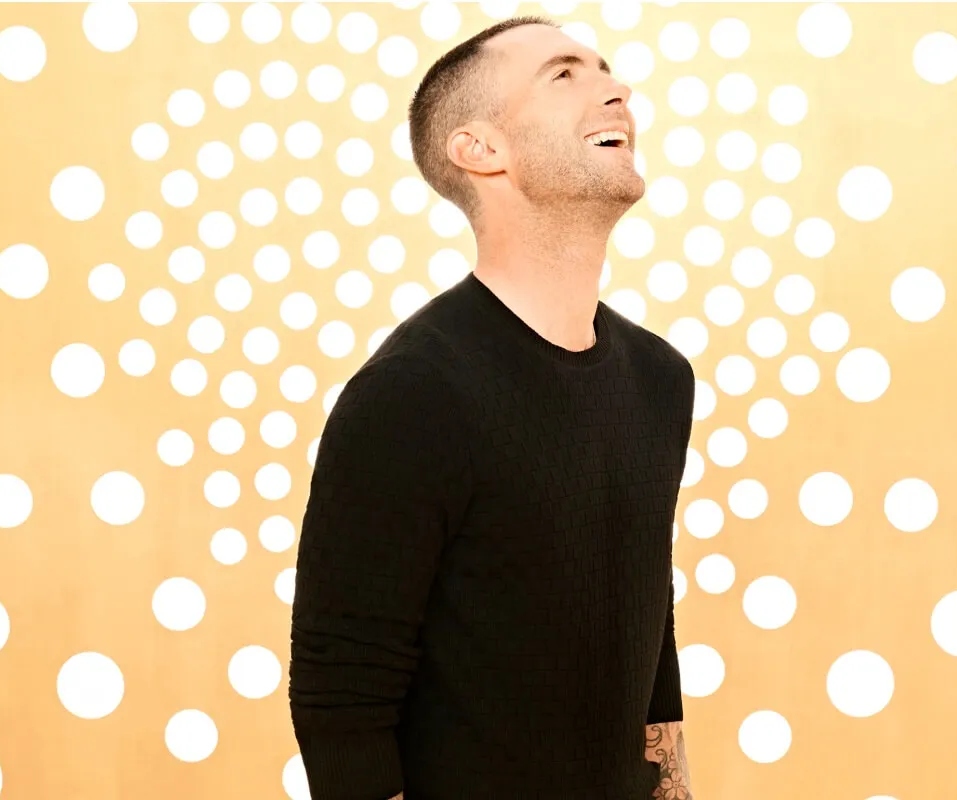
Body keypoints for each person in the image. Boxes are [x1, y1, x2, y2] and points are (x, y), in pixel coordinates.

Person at [288, 15, 697, 800]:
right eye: (564, 74)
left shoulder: (660, 379)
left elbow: (650, 632)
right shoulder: (412, 394)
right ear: (479, 150)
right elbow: (342, 701)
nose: (617, 89)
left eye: (605, 69)